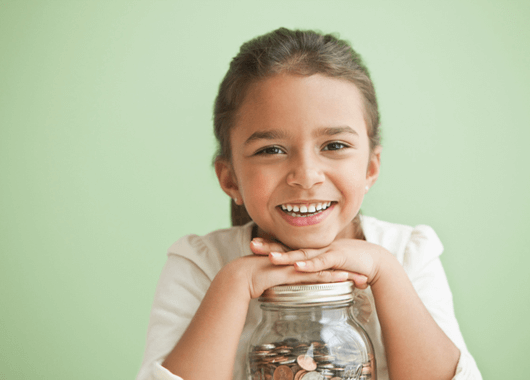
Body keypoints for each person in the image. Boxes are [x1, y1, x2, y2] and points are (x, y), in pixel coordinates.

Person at [136, 28, 482, 380]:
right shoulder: (202, 265)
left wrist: (385, 272)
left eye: (334, 145)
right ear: (230, 178)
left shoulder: (407, 255)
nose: (305, 175)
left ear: (371, 168)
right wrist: (234, 284)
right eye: (271, 150)